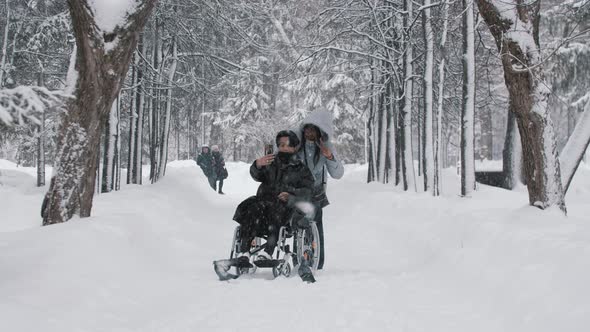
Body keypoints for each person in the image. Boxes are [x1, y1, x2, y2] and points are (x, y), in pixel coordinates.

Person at [232, 130, 315, 281]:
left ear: (294, 147)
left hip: (284, 207)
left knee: (276, 211)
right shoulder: (271, 162)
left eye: (285, 145)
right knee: (251, 208)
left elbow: (308, 191)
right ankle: (244, 252)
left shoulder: (301, 169)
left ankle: (268, 252)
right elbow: (257, 176)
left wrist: (290, 194)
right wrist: (257, 165)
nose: (281, 148)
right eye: (279, 145)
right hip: (263, 202)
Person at [297, 111, 344, 270]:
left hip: (315, 192)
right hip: (295, 191)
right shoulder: (296, 144)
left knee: (315, 214)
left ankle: (317, 259)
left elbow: (338, 174)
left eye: (313, 130)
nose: (309, 132)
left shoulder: (326, 147)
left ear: (320, 132)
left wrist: (329, 156)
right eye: (307, 129)